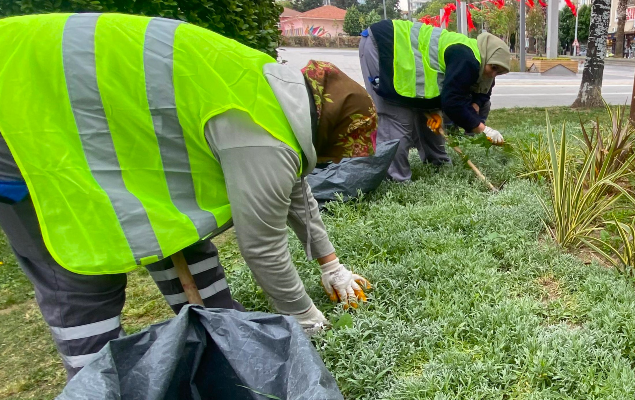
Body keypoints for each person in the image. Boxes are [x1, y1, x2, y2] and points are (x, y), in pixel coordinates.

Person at [0, 13, 375, 378]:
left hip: (82, 107)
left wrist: (331, 265)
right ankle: (96, 381)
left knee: (179, 231)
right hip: (24, 109)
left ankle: (221, 330)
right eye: (342, 150)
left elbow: (297, 190)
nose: (337, 159)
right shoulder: (264, 136)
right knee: (81, 268)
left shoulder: (279, 98)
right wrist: (304, 318)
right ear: (333, 131)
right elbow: (262, 246)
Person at [359, 20, 511, 182]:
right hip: (386, 46)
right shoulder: (467, 58)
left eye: (499, 72)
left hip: (413, 66)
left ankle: (438, 165)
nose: (494, 74)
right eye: (493, 68)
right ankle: (396, 181)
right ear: (487, 56)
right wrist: (483, 129)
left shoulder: (483, 61)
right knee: (398, 119)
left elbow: (484, 90)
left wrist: (475, 105)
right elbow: (452, 103)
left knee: (433, 119)